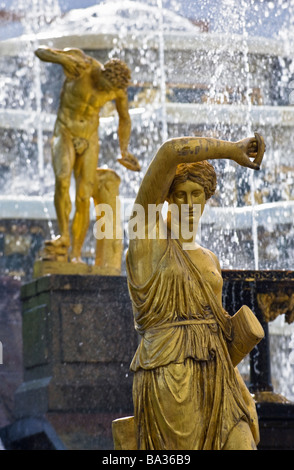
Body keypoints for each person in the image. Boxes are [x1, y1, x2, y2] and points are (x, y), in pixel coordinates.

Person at [125, 134, 265, 450]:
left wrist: (239, 387)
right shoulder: (147, 239)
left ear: (206, 198)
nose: (189, 204)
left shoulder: (210, 258)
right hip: (171, 371)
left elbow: (218, 328)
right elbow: (170, 152)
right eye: (180, 195)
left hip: (219, 374)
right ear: (166, 199)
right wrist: (232, 150)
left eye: (196, 195)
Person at [35, 46, 140, 262]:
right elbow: (39, 51)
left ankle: (76, 254)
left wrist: (124, 149)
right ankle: (63, 236)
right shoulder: (82, 65)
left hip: (89, 138)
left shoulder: (117, 91)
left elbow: (125, 118)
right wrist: (62, 58)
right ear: (101, 73)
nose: (105, 91)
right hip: (65, 130)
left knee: (84, 195)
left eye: (109, 90)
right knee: (63, 179)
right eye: (104, 85)